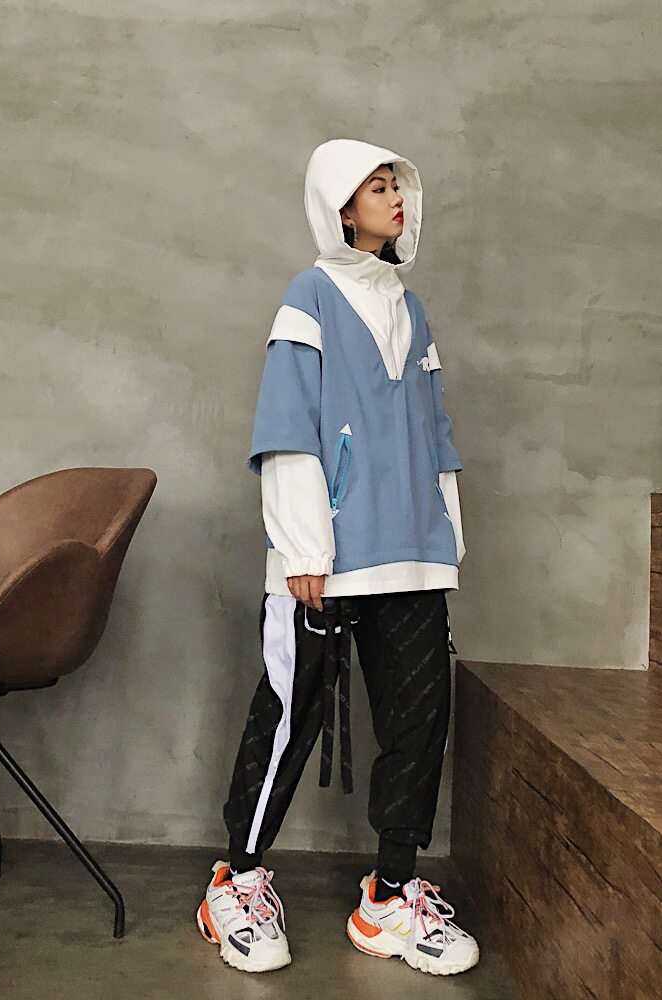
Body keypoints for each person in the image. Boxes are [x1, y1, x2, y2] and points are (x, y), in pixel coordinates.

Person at [196, 138, 480, 976]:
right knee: (290, 718)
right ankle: (236, 881)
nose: (395, 198)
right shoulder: (309, 297)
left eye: (398, 186)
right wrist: (303, 546)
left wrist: (445, 535)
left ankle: (389, 896)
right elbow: (288, 425)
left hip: (411, 555)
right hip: (325, 557)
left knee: (419, 722)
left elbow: (434, 431)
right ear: (342, 207)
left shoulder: (412, 309)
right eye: (377, 187)